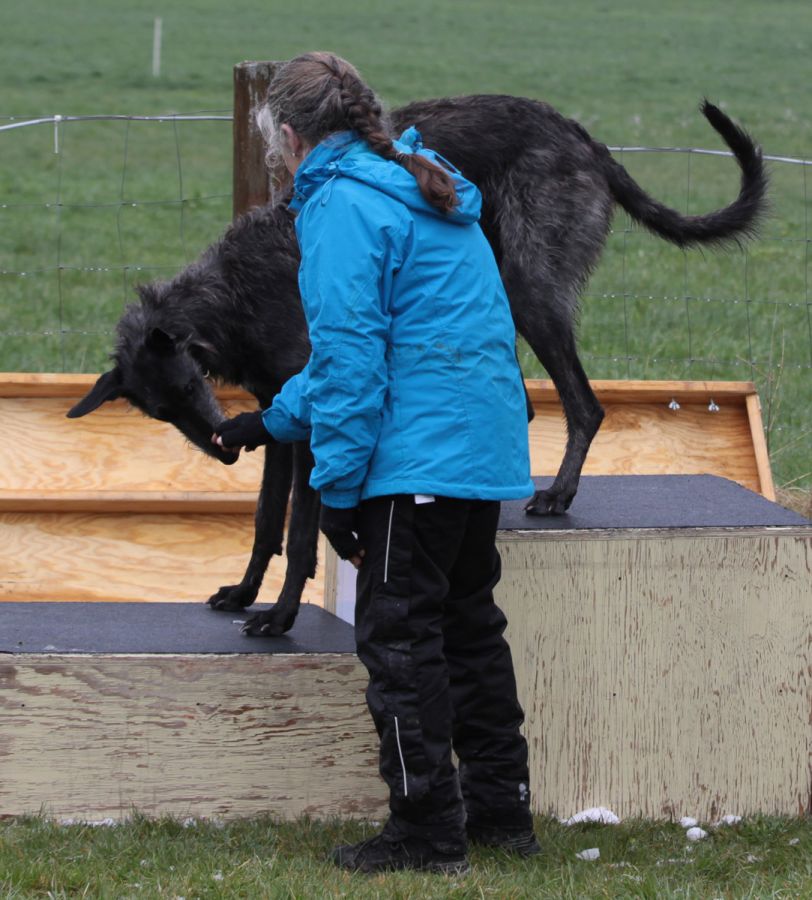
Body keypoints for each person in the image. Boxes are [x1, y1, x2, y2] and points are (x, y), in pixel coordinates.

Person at [214, 51, 538, 875]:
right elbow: (367, 353)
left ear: (290, 138)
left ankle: (426, 833)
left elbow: (353, 363)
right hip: (476, 453)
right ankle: (501, 814)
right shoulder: (415, 182)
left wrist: (336, 492)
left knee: (401, 647)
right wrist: (271, 422)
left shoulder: (343, 207)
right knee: (469, 633)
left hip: (414, 461)